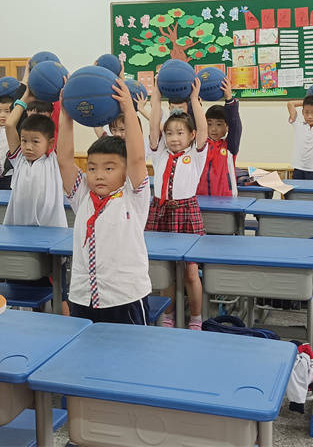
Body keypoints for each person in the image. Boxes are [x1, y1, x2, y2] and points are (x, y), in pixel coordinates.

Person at [58, 78, 152, 324]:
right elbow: (65, 160)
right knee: (87, 357)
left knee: (129, 358)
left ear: (124, 171)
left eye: (109, 168)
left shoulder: (133, 197)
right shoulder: (82, 196)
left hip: (125, 296)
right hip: (83, 295)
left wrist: (128, 110)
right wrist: (65, 113)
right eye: (92, 168)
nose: (99, 175)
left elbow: (138, 159)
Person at [146, 75, 208, 330]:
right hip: (161, 212)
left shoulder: (194, 155)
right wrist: (156, 95)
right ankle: (168, 313)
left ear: (191, 135)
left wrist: (194, 100)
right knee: (166, 271)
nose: (173, 138)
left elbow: (203, 128)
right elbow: (153, 127)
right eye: (169, 133)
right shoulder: (159, 153)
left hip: (186, 213)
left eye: (180, 133)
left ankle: (196, 317)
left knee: (191, 271)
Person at [4, 84, 67, 227]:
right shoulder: (19, 158)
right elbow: (9, 125)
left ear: (50, 144)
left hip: (51, 229)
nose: (28, 147)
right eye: (24, 141)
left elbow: (64, 128)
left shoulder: (55, 160)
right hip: (19, 229)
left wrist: (64, 105)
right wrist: (25, 98)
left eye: (35, 141)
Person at [197, 78, 241, 197]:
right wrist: (195, 101)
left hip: (225, 199)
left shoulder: (230, 146)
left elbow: (235, 125)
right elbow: (194, 122)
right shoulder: (200, 144)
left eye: (219, 124)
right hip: (200, 198)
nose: (213, 129)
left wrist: (229, 100)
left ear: (227, 127)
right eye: (209, 124)